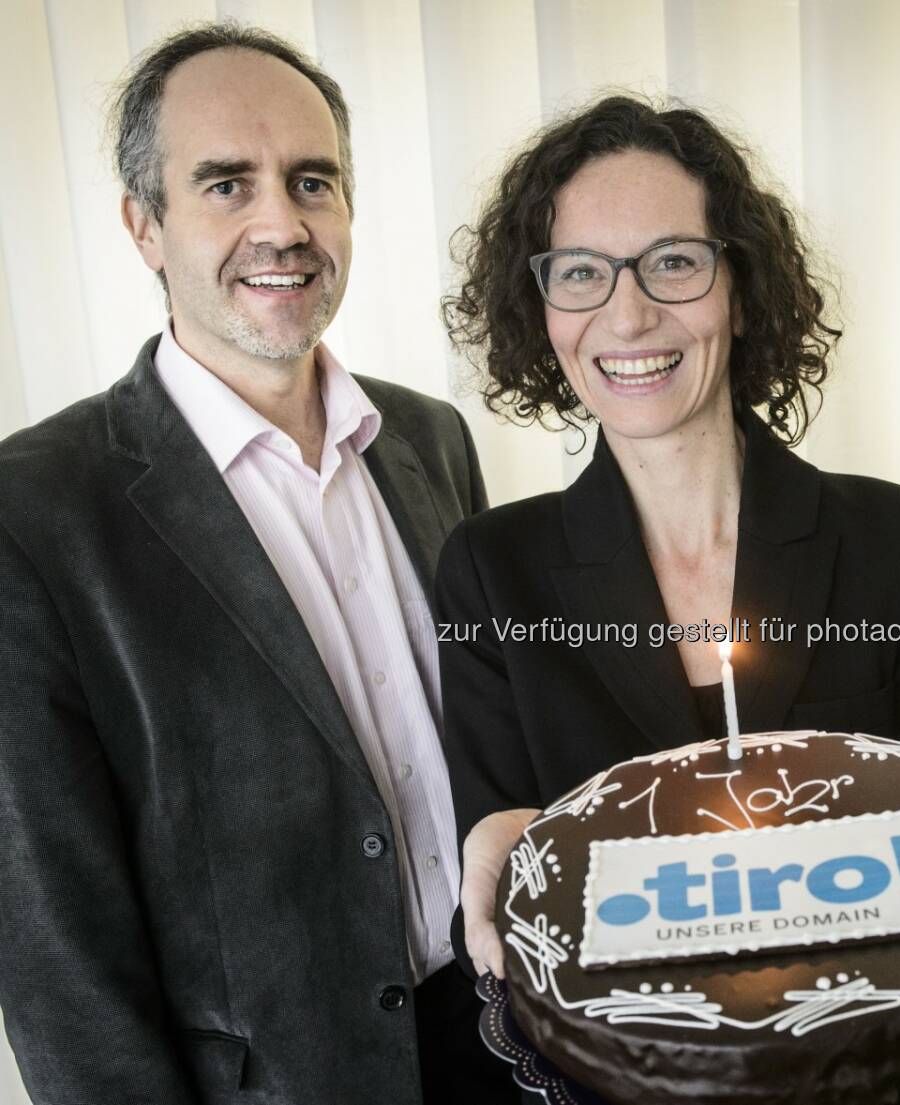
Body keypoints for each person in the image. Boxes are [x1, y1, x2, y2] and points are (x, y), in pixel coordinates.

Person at [0, 23, 507, 1105]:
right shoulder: (35, 511)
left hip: (507, 1041)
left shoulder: (431, 440)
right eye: (226, 184)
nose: (282, 223)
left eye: (311, 181)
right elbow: (58, 949)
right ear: (145, 226)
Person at [433, 95, 900, 983]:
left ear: (741, 294)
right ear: (540, 310)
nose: (628, 318)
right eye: (581, 272)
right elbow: (523, 877)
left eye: (673, 262)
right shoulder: (490, 573)